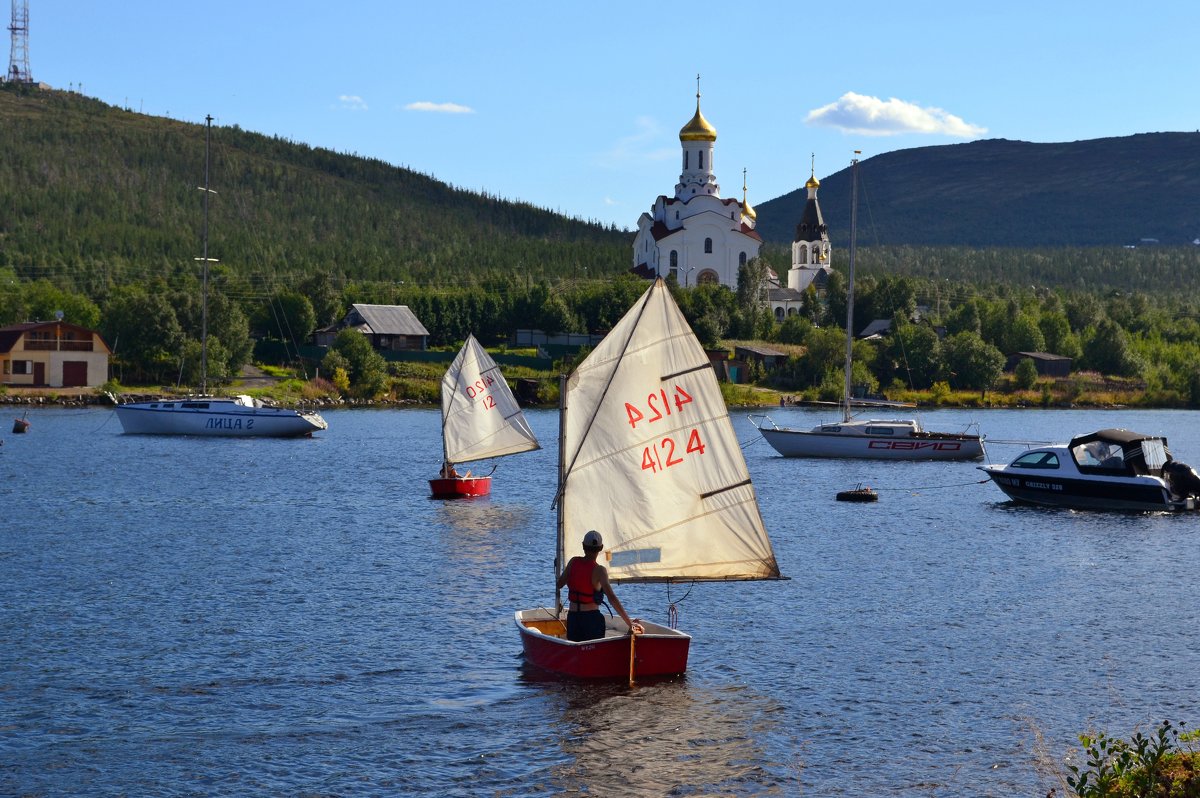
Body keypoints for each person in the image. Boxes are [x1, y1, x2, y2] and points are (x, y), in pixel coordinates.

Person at [556, 530, 642, 642]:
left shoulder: (573, 562)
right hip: (591, 620)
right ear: (601, 548)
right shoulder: (600, 571)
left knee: (575, 647)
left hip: (573, 619)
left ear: (583, 546)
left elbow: (559, 584)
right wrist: (630, 624)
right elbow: (612, 598)